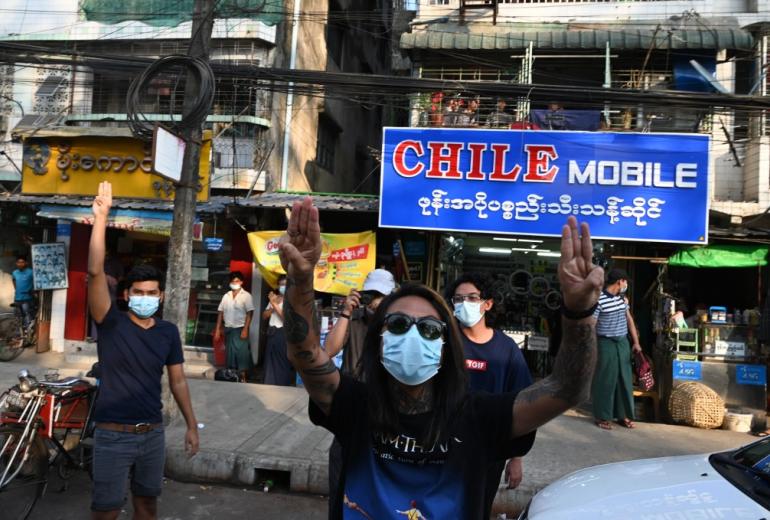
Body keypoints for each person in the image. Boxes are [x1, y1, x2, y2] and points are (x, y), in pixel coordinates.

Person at [278, 197, 602, 519]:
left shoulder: (477, 417)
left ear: (448, 348)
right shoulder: (355, 405)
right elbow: (303, 353)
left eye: (430, 329)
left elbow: (568, 388)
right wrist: (300, 279)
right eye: (399, 325)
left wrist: (579, 311)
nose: (413, 336)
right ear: (379, 340)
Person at [87, 181, 199, 520]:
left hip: (152, 433)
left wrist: (192, 425)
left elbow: (178, 382)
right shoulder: (111, 322)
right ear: (126, 295)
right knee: (106, 512)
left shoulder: (167, 332)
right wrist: (101, 218)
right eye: (139, 292)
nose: (145, 297)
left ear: (161, 297)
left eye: (152, 292)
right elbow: (94, 271)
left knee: (147, 506)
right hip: (111, 435)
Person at [446, 272, 533, 518]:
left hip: (488, 452)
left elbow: (521, 405)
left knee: (478, 509)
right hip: (443, 445)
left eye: (472, 298)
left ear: (488, 303)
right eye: (458, 299)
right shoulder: (445, 343)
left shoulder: (506, 350)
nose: (464, 304)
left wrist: (516, 457)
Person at [323, 268, 396, 514]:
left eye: (380, 295)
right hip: (352, 406)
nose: (374, 300)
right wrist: (346, 311)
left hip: (384, 413)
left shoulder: (398, 325)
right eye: (370, 294)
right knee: (339, 477)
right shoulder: (353, 320)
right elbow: (329, 351)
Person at [591, 268, 642, 431]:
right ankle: (602, 416)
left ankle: (623, 415)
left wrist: (636, 342)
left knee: (624, 379)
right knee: (606, 380)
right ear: (620, 281)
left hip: (622, 343)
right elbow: (592, 325)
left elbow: (629, 320)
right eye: (625, 281)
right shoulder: (598, 300)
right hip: (605, 343)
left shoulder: (622, 300)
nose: (626, 284)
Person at [214, 271, 255, 382]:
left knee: (242, 355)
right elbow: (220, 313)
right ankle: (232, 375)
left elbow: (250, 313)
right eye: (232, 281)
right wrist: (218, 329)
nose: (234, 283)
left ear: (241, 282)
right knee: (230, 354)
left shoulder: (246, 296)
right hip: (228, 329)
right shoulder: (226, 296)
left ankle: (243, 377)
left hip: (240, 329)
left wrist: (246, 329)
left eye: (236, 281)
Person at [262, 275, 294, 386]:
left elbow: (286, 319)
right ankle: (270, 382)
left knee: (282, 360)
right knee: (270, 359)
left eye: (285, 285)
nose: (282, 287)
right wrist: (272, 304)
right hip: (272, 332)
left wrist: (275, 304)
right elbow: (264, 316)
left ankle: (282, 383)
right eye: (281, 284)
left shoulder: (292, 300)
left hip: (283, 333)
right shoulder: (275, 298)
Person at [11, 254, 35, 330]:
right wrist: (17, 290)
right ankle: (19, 335)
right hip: (17, 298)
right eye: (18, 262)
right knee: (17, 317)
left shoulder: (31, 272)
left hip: (27, 298)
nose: (20, 264)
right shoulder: (15, 272)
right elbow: (14, 280)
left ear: (26, 263)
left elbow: (36, 282)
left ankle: (28, 334)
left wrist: (33, 290)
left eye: (22, 262)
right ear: (16, 263)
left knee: (27, 315)